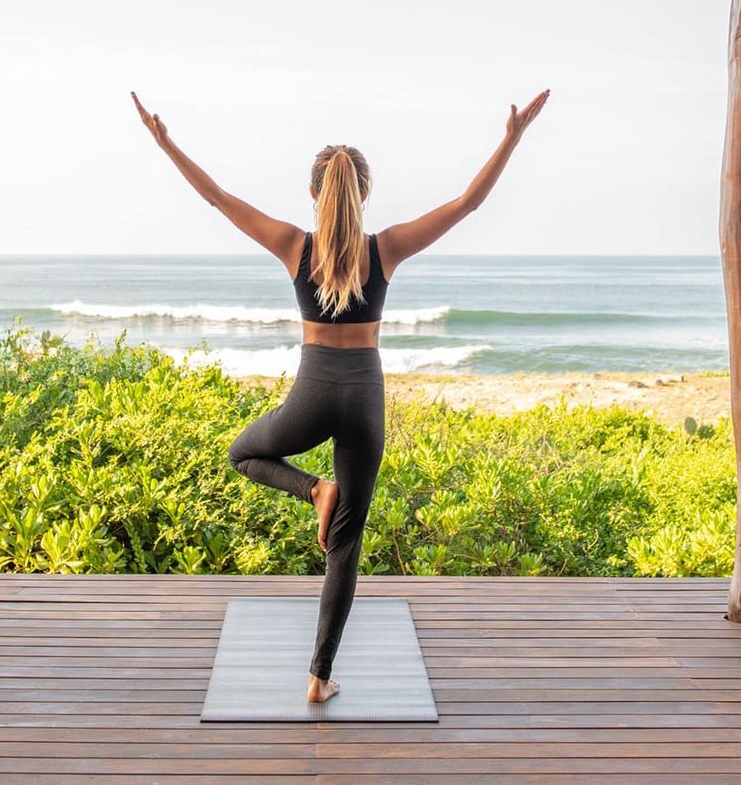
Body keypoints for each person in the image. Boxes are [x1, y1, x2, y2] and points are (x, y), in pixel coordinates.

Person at [130, 89, 551, 702]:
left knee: (244, 454)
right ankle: (319, 677)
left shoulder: (293, 246)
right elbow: (466, 203)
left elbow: (218, 198)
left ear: (314, 195)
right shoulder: (387, 249)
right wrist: (511, 138)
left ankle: (312, 489)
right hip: (365, 401)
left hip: (312, 394)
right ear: (364, 195)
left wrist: (166, 143)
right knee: (346, 544)